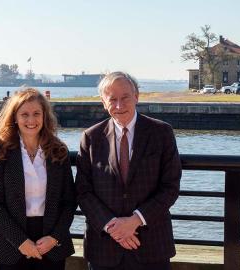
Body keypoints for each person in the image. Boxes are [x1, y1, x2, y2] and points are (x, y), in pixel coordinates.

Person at [75, 72, 182, 270]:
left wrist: (135, 221)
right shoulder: (91, 138)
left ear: (137, 96)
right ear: (103, 102)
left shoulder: (161, 133)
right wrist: (113, 227)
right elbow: (83, 191)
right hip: (104, 248)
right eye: (112, 99)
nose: (119, 105)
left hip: (151, 245)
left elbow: (170, 187)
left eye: (125, 97)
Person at [0, 88, 76, 270]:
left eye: (36, 114)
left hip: (51, 243)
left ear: (45, 116)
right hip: (10, 243)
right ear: (15, 117)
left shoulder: (59, 151)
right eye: (24, 114)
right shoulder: (0, 151)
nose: (31, 120)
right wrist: (21, 242)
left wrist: (54, 238)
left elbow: (70, 202)